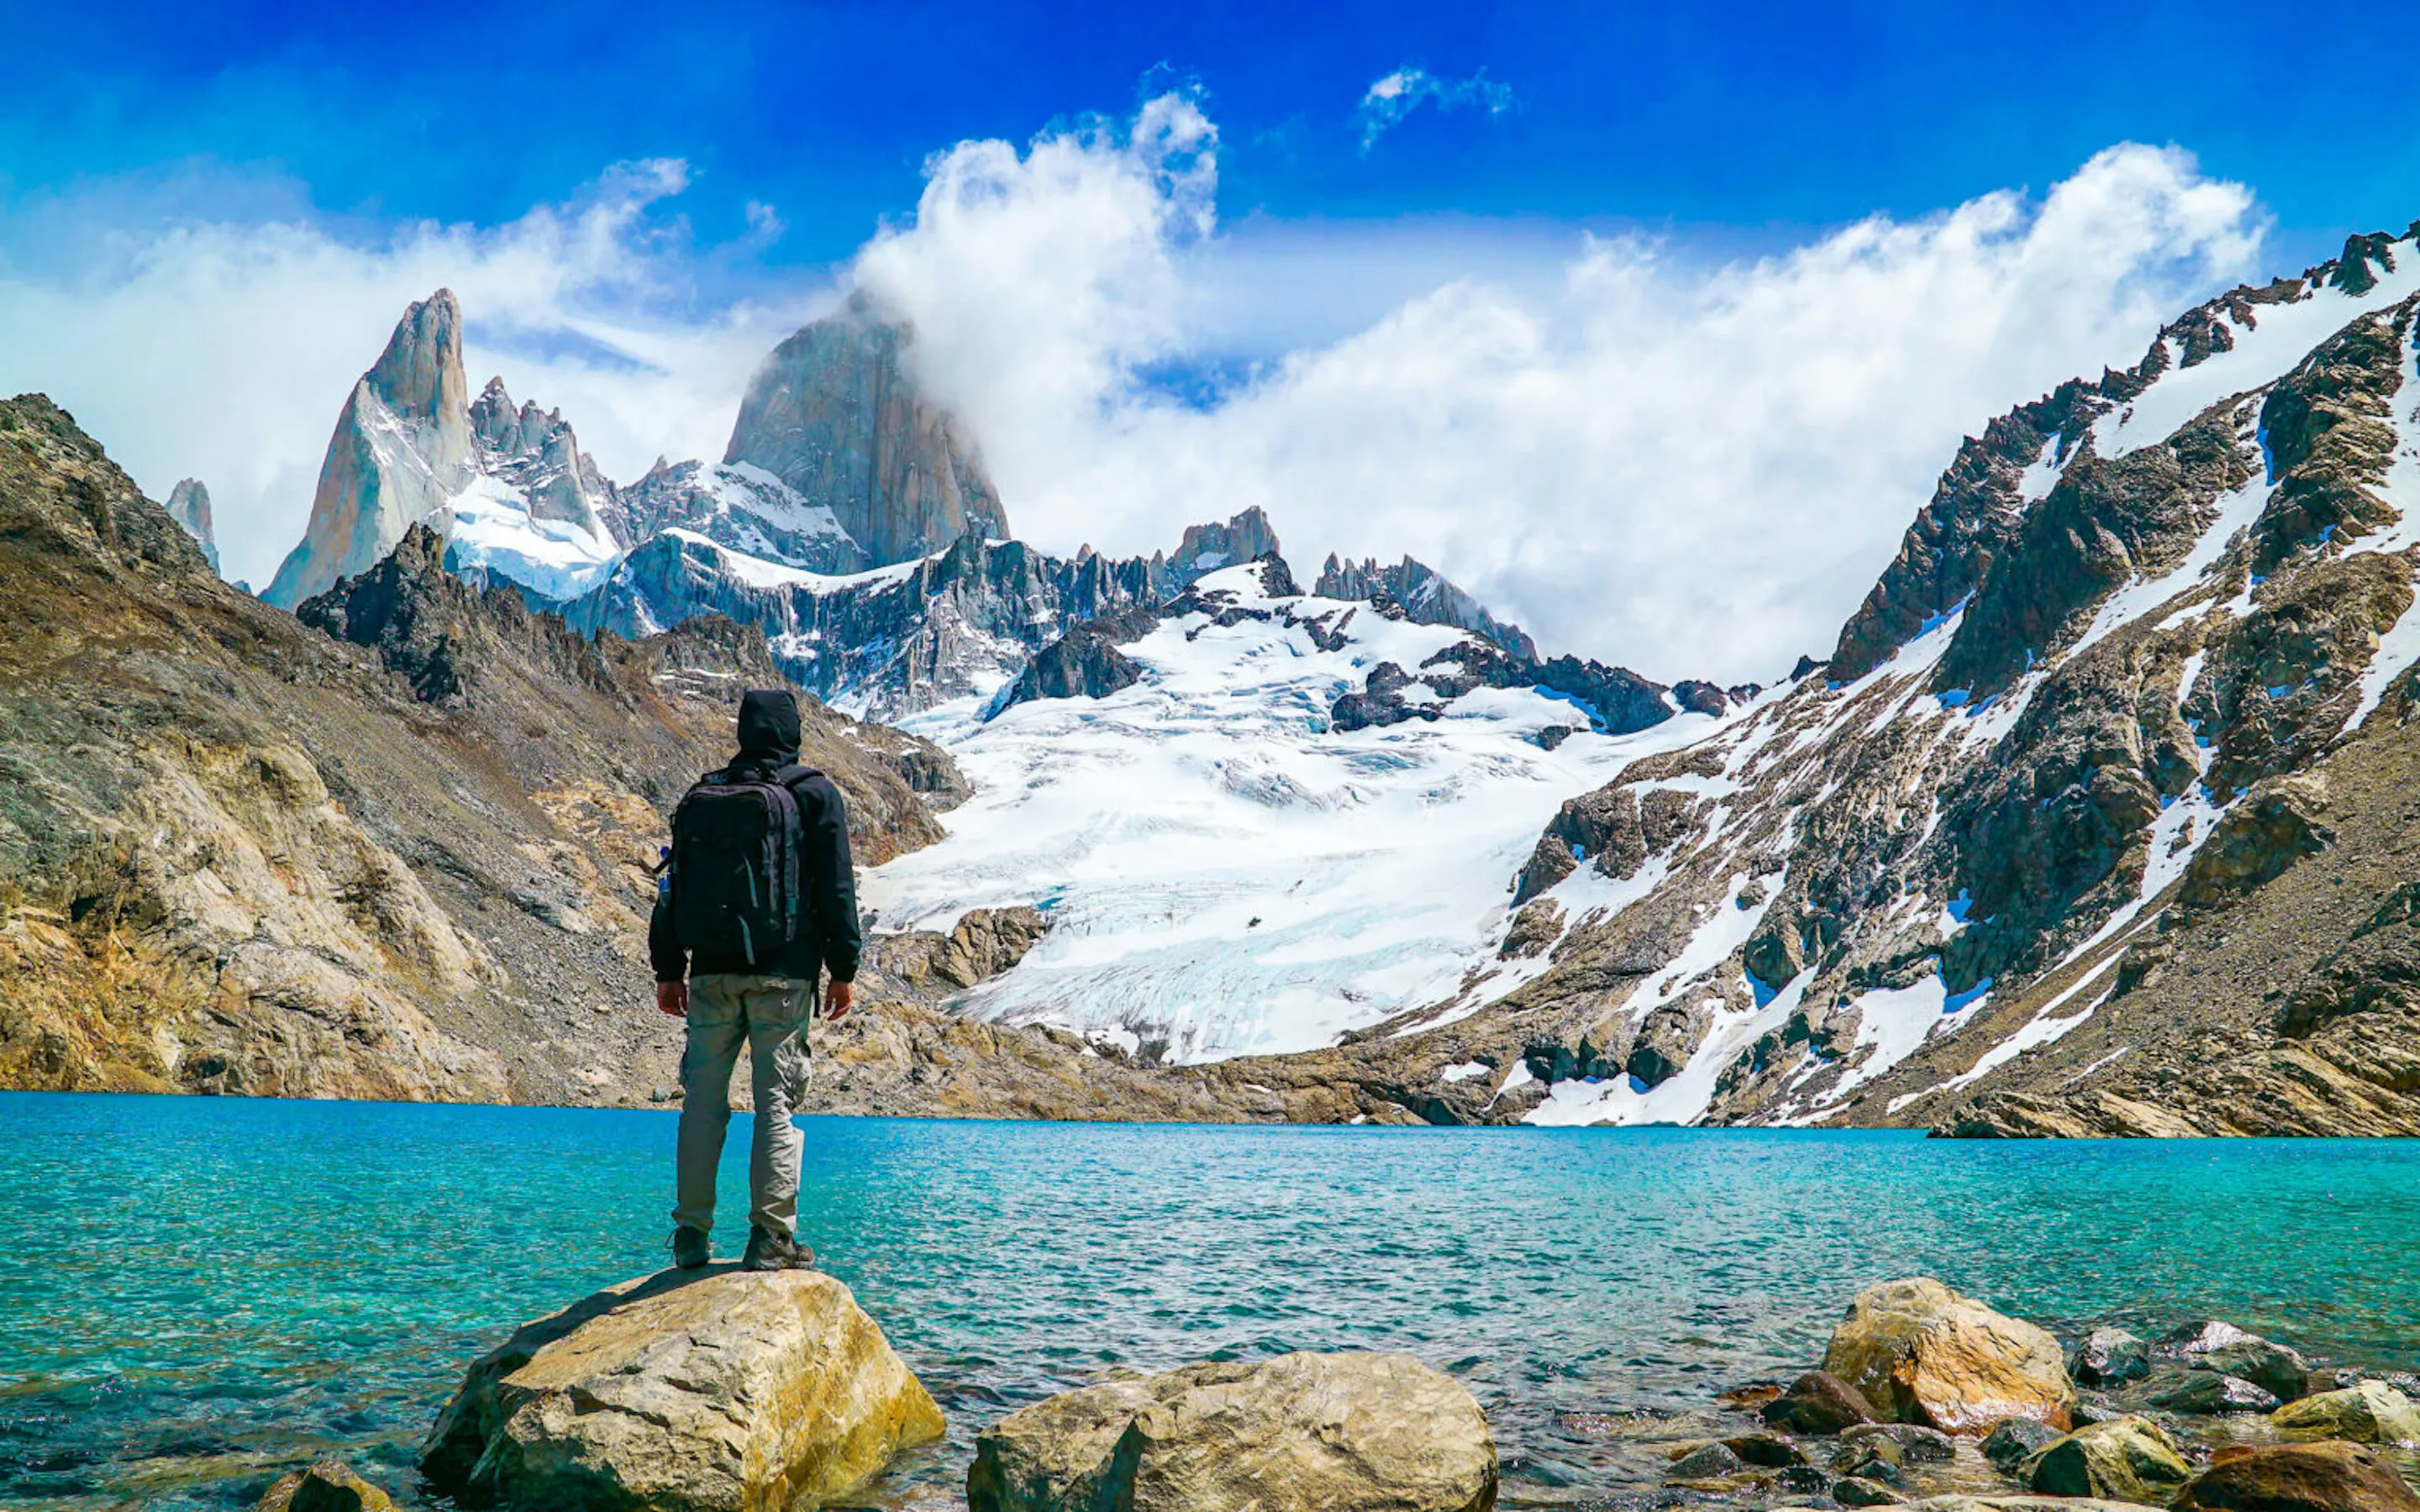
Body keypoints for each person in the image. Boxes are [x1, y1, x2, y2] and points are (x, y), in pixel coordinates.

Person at [650, 689, 858, 1273]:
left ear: (744, 730)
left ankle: (691, 1236)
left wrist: (670, 969)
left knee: (702, 1104)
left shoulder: (705, 793)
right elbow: (838, 886)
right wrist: (844, 968)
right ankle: (770, 1239)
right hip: (784, 976)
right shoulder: (813, 792)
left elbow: (673, 886)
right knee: (776, 1107)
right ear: (793, 731)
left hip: (711, 972)